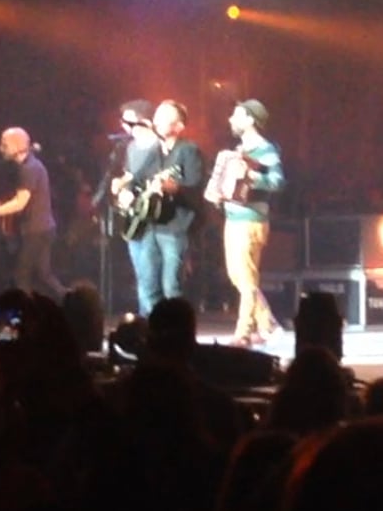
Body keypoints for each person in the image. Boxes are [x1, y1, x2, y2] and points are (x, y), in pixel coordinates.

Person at [113, 100, 206, 319]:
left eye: (164, 118)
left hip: (176, 227)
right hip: (151, 224)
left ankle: (176, 330)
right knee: (148, 284)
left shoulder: (188, 150)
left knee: (171, 286)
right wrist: (124, 188)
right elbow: (137, 179)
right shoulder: (153, 150)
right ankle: (151, 328)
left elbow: (195, 188)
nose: (157, 121)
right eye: (157, 117)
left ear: (178, 126)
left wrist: (174, 188)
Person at [215, 100, 286, 349]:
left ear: (250, 120)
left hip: (251, 221)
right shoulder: (239, 150)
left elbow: (277, 181)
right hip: (234, 219)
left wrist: (251, 176)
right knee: (238, 276)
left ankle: (243, 332)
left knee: (246, 278)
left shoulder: (265, 150)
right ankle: (268, 325)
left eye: (237, 115)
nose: (231, 119)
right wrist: (221, 193)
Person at [0, 128, 62, 301]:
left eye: (4, 145)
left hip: (37, 230)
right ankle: (72, 301)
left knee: (22, 275)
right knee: (44, 275)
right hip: (42, 228)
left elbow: (20, 203)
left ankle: (27, 312)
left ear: (17, 146)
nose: (0, 148)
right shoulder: (30, 166)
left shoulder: (29, 169)